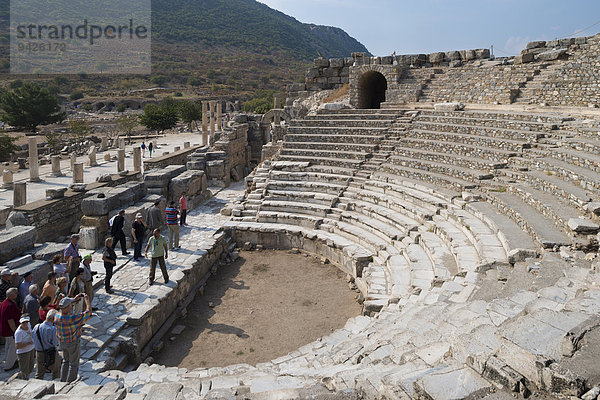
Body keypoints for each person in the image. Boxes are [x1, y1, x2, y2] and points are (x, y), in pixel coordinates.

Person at [54, 294, 91, 382]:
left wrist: (73, 300)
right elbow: (88, 312)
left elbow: (63, 308)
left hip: (62, 342)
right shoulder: (73, 318)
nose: (71, 306)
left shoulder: (57, 316)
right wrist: (87, 300)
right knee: (74, 363)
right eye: (70, 305)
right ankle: (70, 382)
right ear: (67, 307)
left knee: (65, 361)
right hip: (73, 342)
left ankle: (63, 380)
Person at [32, 309, 60, 380]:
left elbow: (33, 339)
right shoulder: (53, 329)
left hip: (39, 352)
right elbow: (55, 343)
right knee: (56, 371)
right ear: (54, 319)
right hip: (51, 353)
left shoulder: (36, 327)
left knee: (39, 372)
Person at [1, 288, 21, 370]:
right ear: (11, 294)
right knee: (12, 347)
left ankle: (13, 361)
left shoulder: (5, 303)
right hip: (10, 330)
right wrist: (15, 331)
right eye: (15, 293)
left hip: (6, 329)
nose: (17, 294)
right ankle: (9, 365)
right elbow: (10, 320)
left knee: (8, 345)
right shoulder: (9, 306)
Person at [14, 315, 34, 380]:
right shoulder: (18, 332)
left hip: (31, 350)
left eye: (26, 322)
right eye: (23, 322)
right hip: (23, 352)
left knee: (30, 368)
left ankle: (27, 378)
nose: (25, 324)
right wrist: (28, 343)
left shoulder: (29, 325)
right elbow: (18, 346)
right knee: (24, 370)